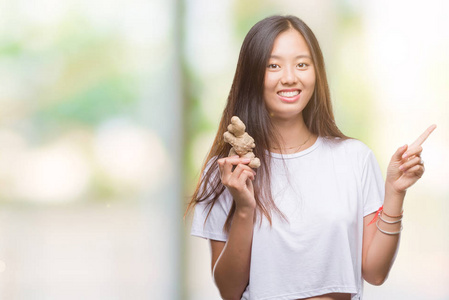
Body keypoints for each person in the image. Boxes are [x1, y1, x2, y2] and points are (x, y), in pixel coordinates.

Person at [186, 15, 436, 300]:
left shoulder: (354, 158)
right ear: (252, 74)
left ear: (316, 73)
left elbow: (375, 272)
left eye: (302, 64)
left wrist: (394, 192)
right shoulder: (229, 170)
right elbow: (229, 291)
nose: (290, 77)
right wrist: (244, 207)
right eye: (273, 65)